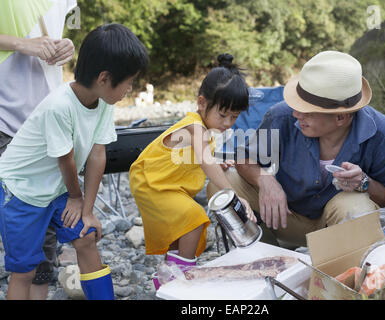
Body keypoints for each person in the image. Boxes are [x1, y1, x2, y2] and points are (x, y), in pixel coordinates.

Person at [0, 23, 149, 300]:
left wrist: (87, 209)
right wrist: (75, 197)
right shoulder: (59, 106)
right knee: (24, 271)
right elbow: (65, 160)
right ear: (104, 78)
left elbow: (97, 154)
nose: (129, 89)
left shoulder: (103, 102)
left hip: (56, 189)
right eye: (129, 82)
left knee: (86, 235)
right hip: (21, 191)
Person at [207, 50, 385, 249]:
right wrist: (265, 180)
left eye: (307, 111)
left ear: (341, 117)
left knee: (356, 205)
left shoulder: (382, 132)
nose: (296, 114)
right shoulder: (281, 116)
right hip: (284, 218)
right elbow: (244, 158)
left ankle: (342, 265)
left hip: (337, 231)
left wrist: (363, 182)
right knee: (222, 185)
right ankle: (262, 253)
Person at [129, 53, 256, 290]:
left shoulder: (206, 130)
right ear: (201, 103)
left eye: (234, 117)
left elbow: (202, 158)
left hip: (168, 185)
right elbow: (204, 160)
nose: (228, 122)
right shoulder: (194, 125)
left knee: (181, 231)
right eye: (223, 114)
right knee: (194, 219)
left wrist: (218, 163)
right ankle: (184, 279)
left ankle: (167, 277)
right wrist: (233, 193)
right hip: (152, 182)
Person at [0, 0, 76, 299]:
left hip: (43, 122)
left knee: (42, 232)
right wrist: (22, 44)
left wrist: (68, 45)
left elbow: (58, 39)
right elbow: (28, 41)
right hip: (3, 118)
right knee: (21, 226)